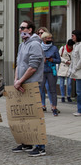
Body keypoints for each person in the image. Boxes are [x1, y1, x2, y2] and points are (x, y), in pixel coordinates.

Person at [13, 20, 46, 156]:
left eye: (23, 28)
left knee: (35, 115)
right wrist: (16, 80)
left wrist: (20, 80)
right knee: (24, 115)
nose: (21, 30)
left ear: (30, 29)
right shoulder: (22, 45)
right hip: (22, 84)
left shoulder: (35, 44)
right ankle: (27, 142)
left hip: (32, 84)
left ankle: (40, 146)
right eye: (20, 28)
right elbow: (18, 64)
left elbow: (33, 66)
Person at [39, 32, 61, 116]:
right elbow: (35, 59)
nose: (50, 40)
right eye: (48, 38)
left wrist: (52, 60)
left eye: (50, 38)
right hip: (41, 71)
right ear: (43, 39)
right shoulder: (39, 47)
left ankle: (54, 107)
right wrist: (42, 61)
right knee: (40, 90)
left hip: (51, 71)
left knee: (53, 90)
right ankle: (41, 106)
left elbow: (58, 60)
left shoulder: (54, 48)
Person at [69, 30, 81, 117]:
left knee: (79, 92)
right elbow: (73, 60)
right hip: (76, 72)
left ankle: (79, 110)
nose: (72, 37)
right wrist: (71, 69)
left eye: (73, 35)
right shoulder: (75, 45)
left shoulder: (80, 46)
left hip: (79, 72)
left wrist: (76, 68)